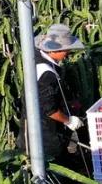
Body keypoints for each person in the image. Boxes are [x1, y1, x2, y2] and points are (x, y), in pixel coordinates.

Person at [16, 23, 86, 161]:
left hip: (39, 129)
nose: (68, 53)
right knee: (48, 168)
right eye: (66, 50)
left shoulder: (38, 58)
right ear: (55, 50)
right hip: (42, 135)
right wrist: (68, 120)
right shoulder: (46, 74)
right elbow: (50, 110)